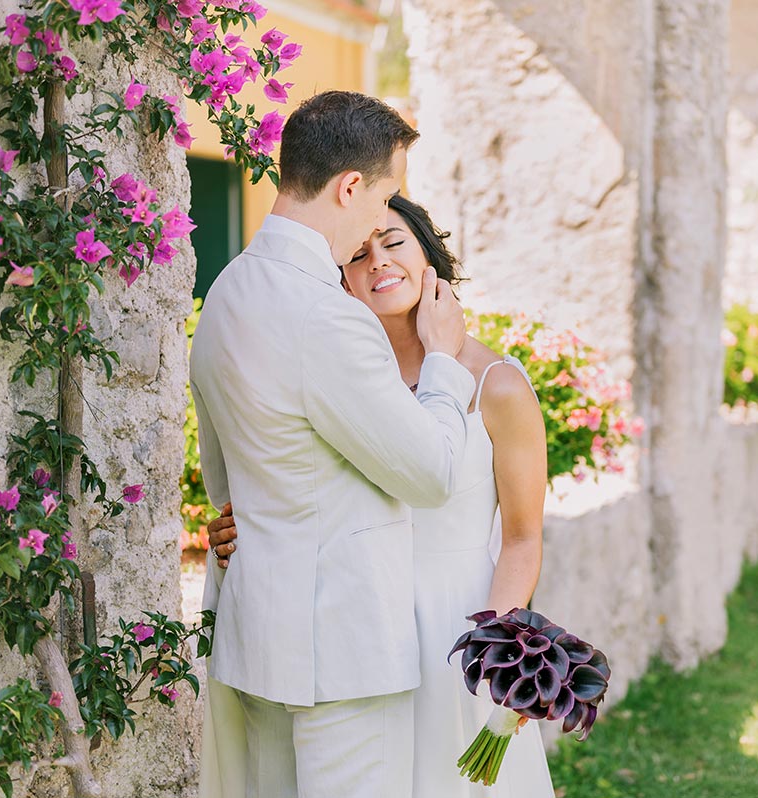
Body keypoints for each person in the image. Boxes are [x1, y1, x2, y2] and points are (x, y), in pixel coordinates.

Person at [207, 194, 557, 797]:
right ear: (340, 274)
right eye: (359, 252)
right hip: (356, 624)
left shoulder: (497, 384)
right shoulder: (340, 374)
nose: (378, 263)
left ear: (429, 258)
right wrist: (237, 526)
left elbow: (523, 537)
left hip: (456, 628)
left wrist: (496, 647)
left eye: (394, 244)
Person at [191, 91, 477, 798]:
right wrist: (441, 359)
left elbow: (221, 475)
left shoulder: (224, 294)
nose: (384, 218)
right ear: (351, 187)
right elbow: (433, 472)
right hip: (344, 654)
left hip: (257, 641)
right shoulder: (326, 315)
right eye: (386, 197)